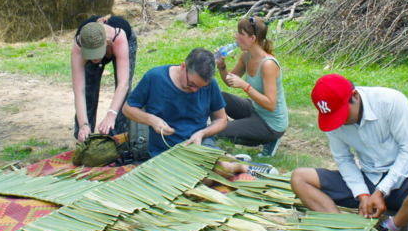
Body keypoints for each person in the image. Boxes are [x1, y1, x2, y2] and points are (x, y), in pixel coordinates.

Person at [291, 74, 408, 231]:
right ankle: (346, 230)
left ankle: (387, 229)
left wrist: (381, 191)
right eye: (333, 117)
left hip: (405, 179)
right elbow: (343, 159)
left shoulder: (391, 102)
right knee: (299, 178)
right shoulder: (333, 119)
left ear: (355, 96)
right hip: (368, 179)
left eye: (342, 114)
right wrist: (362, 194)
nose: (339, 122)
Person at [122, 48, 277, 176]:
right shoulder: (155, 77)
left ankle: (244, 167)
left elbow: (221, 119)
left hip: (200, 143)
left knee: (214, 171)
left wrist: (202, 133)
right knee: (200, 176)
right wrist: (152, 120)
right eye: (192, 84)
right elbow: (128, 109)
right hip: (165, 150)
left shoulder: (210, 85)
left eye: (200, 87)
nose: (195, 90)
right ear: (183, 67)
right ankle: (234, 162)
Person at [215, 16, 288, 157]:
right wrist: (222, 66)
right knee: (217, 98)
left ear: (252, 38)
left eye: (240, 34)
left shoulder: (268, 64)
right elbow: (229, 81)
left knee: (217, 131)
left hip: (271, 123)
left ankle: (268, 139)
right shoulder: (245, 55)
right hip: (255, 109)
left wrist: (245, 86)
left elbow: (271, 104)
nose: (235, 36)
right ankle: (222, 129)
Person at [71, 15, 137, 142]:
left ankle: (119, 138)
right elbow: (79, 91)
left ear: (106, 43)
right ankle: (84, 137)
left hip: (121, 42)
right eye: (90, 55)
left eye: (97, 54)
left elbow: (123, 84)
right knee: (89, 93)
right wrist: (83, 124)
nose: (94, 59)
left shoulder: (118, 38)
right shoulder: (79, 45)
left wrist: (110, 115)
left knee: (123, 96)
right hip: (94, 44)